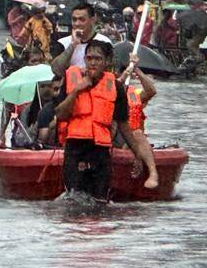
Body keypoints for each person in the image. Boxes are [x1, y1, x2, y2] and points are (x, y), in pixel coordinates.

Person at [53, 39, 159, 201]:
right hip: (75, 149)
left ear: (107, 62)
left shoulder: (115, 88)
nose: (92, 63)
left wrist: (137, 154)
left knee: (100, 201)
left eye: (97, 59)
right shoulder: (71, 80)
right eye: (89, 58)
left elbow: (123, 124)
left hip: (100, 151)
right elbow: (60, 114)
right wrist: (76, 91)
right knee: (73, 200)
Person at [51, 2, 112, 71]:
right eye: (74, 20)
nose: (77, 24)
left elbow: (108, 70)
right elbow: (56, 70)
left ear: (93, 20)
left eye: (82, 19)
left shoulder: (104, 41)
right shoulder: (62, 43)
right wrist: (73, 45)